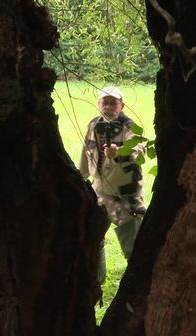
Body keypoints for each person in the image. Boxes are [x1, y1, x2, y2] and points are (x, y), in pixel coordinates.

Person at [78, 86, 146, 285]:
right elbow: (86, 152)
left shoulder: (130, 127)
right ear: (99, 105)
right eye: (104, 102)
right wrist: (81, 177)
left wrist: (119, 153)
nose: (108, 107)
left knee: (133, 247)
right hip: (99, 193)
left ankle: (138, 286)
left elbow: (139, 151)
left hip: (125, 196)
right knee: (94, 240)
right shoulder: (94, 125)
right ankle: (96, 283)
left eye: (113, 103)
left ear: (121, 105)